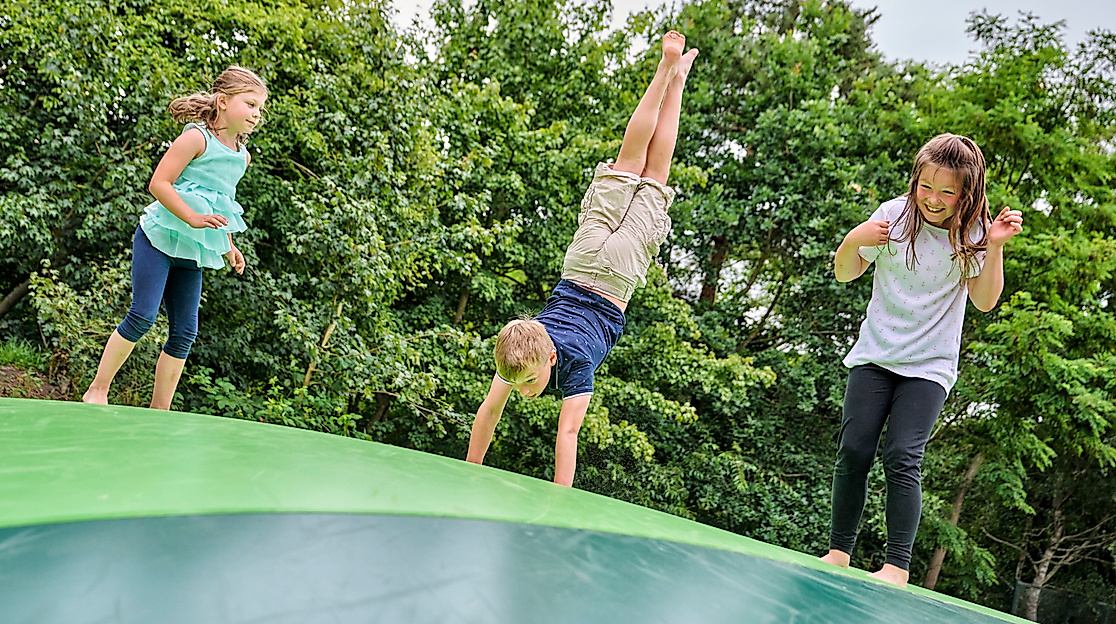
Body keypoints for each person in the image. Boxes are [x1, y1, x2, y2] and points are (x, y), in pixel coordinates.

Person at [466, 32, 699, 487]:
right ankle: (668, 71)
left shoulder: (574, 366)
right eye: (523, 383)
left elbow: (564, 432)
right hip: (581, 264)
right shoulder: (521, 352)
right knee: (629, 162)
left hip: (616, 278)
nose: (525, 391)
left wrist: (560, 501)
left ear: (551, 356)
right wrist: (469, 471)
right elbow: (495, 409)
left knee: (655, 172)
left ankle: (675, 76)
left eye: (529, 382)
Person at [819, 133, 1024, 587]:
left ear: (967, 193)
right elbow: (845, 272)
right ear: (915, 180)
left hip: (929, 367)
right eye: (926, 186)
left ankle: (896, 565)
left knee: (902, 455)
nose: (933, 198)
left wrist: (995, 247)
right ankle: (838, 550)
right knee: (854, 449)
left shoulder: (974, 235)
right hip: (876, 354)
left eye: (947, 191)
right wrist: (854, 239)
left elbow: (985, 301)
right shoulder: (893, 215)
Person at [82, 66, 268, 409]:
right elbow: (159, 183)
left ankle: (160, 410)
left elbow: (220, 203)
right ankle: (97, 390)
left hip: (192, 249)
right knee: (142, 316)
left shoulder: (242, 157)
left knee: (185, 332)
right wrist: (193, 218)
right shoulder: (197, 138)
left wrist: (229, 246)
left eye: (260, 108)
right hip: (158, 238)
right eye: (250, 104)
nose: (257, 114)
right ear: (223, 102)